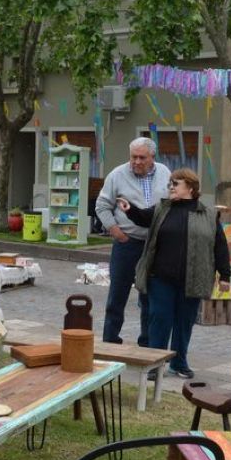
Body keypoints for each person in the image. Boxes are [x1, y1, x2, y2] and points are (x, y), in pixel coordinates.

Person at [116, 168, 230, 379]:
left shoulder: (208, 214)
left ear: (191, 187)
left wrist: (225, 275)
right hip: (160, 277)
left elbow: (219, 246)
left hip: (194, 278)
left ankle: (179, 363)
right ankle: (155, 364)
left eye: (175, 184)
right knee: (159, 318)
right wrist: (129, 209)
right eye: (170, 183)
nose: (170, 187)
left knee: (184, 321)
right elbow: (142, 217)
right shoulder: (162, 208)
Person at [94, 137, 171, 345]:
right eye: (133, 157)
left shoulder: (165, 173)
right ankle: (110, 340)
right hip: (127, 243)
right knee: (118, 294)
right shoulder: (117, 175)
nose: (136, 161)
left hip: (155, 245)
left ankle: (146, 342)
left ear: (152, 157)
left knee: (150, 296)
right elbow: (101, 206)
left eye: (142, 158)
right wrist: (114, 230)